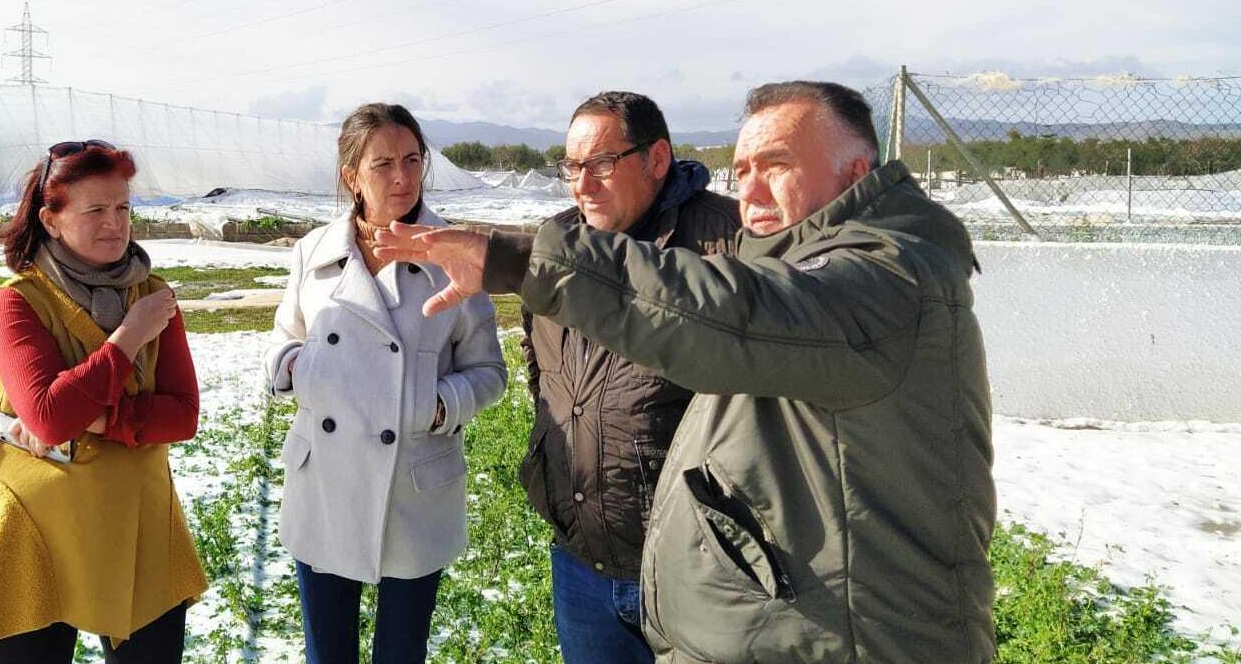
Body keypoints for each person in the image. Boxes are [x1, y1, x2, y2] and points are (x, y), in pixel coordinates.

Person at [375, 81, 997, 664]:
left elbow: (730, 317)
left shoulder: (877, 279)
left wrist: (515, 260)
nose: (751, 192)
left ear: (856, 172)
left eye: (776, 165)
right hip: (616, 564)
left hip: (836, 631)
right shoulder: (593, 242)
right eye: (743, 170)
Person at [263, 103, 507, 664]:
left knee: (401, 653)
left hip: (413, 486)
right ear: (352, 176)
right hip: (324, 480)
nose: (402, 177)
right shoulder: (313, 252)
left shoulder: (456, 257)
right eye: (383, 164)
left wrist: (437, 405)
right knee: (329, 654)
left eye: (413, 160)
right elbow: (280, 344)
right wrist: (296, 368)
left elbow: (489, 371)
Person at [0, 140, 206, 664]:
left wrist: (101, 419)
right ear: (52, 219)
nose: (115, 223)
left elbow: (182, 415)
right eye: (95, 210)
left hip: (136, 521)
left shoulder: (154, 295)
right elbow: (50, 415)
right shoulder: (17, 302)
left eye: (123, 208)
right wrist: (128, 338)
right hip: (34, 530)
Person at [525, 91, 738, 664]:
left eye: (601, 163)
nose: (581, 183)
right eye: (571, 166)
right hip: (581, 560)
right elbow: (540, 365)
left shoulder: (726, 242)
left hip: (696, 565)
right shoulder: (557, 241)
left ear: (657, 158)